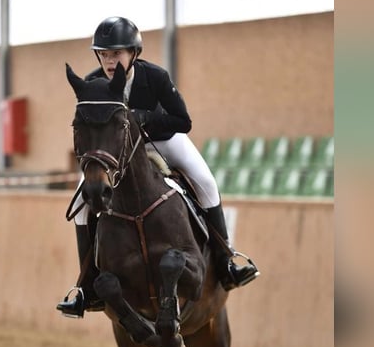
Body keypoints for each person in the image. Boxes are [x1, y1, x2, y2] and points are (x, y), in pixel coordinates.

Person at [57, 16, 258, 318]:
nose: (110, 60)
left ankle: (226, 258)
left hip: (162, 140)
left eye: (117, 53)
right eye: (104, 54)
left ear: (133, 53)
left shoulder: (155, 77)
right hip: (118, 153)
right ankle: (86, 287)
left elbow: (183, 121)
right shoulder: (93, 83)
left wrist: (144, 118)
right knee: (83, 204)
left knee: (205, 181)